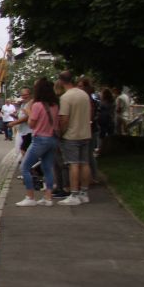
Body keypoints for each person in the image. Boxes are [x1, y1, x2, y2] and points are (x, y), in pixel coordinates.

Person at [15, 78, 60, 207]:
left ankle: (30, 196)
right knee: (47, 168)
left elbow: (31, 123)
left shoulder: (37, 105)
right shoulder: (55, 105)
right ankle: (48, 197)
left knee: (25, 167)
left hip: (40, 139)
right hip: (52, 139)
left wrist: (28, 112)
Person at [54, 71, 92, 206]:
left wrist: (61, 133)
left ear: (61, 81)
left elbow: (64, 119)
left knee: (73, 164)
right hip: (85, 133)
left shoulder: (66, 97)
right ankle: (84, 193)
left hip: (71, 135)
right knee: (85, 163)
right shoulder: (84, 94)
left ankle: (74, 194)